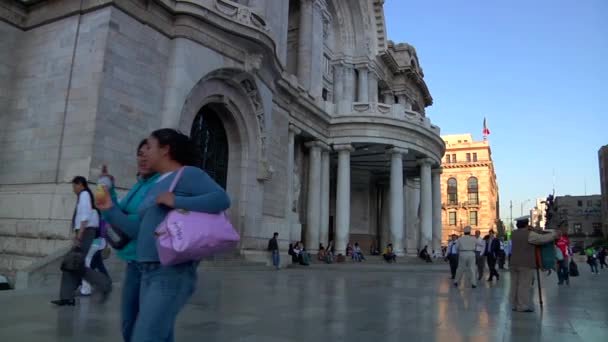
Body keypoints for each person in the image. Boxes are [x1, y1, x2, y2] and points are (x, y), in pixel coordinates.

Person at [98, 128, 231, 341]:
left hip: (171, 272)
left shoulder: (188, 174)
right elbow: (139, 231)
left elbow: (221, 199)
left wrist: (177, 201)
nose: (143, 154)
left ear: (165, 150)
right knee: (157, 334)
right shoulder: (157, 184)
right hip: (147, 269)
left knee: (145, 336)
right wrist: (109, 209)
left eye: (149, 147)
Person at [101, 140, 160, 341]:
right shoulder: (139, 184)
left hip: (150, 265)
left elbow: (141, 227)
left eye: (147, 153)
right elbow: (115, 215)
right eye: (139, 153)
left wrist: (119, 216)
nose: (142, 158)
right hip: (133, 263)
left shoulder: (160, 184)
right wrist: (109, 190)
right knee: (128, 323)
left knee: (149, 328)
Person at [51, 177, 112, 306]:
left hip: (85, 232)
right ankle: (67, 297)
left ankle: (103, 283)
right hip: (85, 232)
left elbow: (85, 216)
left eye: (74, 186)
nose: (73, 189)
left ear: (80, 184)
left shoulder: (84, 195)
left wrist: (79, 235)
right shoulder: (85, 195)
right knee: (72, 265)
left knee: (73, 263)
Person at [510, 217, 555, 313]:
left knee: (514, 285)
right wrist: (554, 234)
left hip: (514, 262)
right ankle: (522, 306)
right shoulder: (529, 234)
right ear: (527, 224)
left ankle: (514, 304)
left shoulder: (514, 234)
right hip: (526, 263)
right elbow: (542, 239)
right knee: (524, 285)